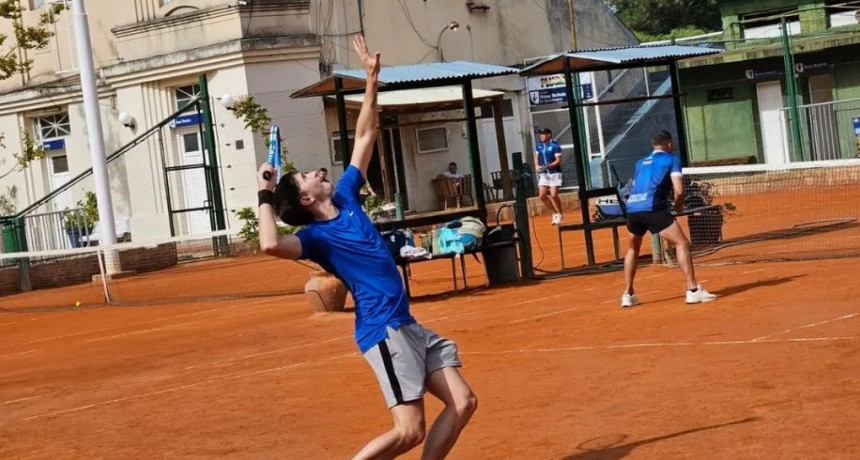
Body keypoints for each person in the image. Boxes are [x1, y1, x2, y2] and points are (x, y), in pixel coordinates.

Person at [256, 36, 477, 459]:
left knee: (464, 401)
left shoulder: (345, 196)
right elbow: (269, 243)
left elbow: (366, 134)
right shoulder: (313, 239)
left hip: (407, 324)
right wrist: (265, 192)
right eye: (307, 176)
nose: (318, 172)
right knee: (409, 431)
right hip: (383, 331)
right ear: (305, 200)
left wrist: (372, 80)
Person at [621, 130, 717, 308]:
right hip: (653, 208)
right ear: (670, 145)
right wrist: (679, 206)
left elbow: (636, 186)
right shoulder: (672, 160)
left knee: (632, 249)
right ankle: (693, 291)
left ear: (653, 145)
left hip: (633, 209)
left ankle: (628, 294)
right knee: (682, 244)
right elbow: (679, 191)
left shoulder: (640, 163)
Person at [534, 127, 564, 225]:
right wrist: (537, 166)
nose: (541, 136)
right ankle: (554, 213)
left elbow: (558, 160)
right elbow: (537, 157)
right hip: (544, 174)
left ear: (549, 135)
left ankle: (560, 213)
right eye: (540, 134)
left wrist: (548, 166)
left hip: (555, 173)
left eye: (543, 134)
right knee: (542, 195)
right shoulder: (538, 145)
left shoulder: (555, 146)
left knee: (554, 195)